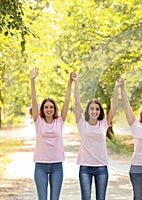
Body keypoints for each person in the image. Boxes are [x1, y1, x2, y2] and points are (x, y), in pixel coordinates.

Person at [73, 73, 121, 200]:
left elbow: (114, 107)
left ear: (100, 112)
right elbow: (77, 104)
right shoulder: (81, 123)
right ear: (88, 110)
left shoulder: (103, 124)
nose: (95, 111)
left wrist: (116, 88)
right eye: (92, 109)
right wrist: (76, 83)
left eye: (97, 109)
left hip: (101, 167)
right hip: (85, 168)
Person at [30, 68, 75, 200]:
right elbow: (34, 101)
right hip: (40, 166)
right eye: (46, 107)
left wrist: (70, 82)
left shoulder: (59, 121)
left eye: (51, 107)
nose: (49, 109)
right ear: (42, 110)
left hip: (57, 166)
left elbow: (66, 102)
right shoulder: (38, 121)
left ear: (55, 109)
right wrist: (32, 81)